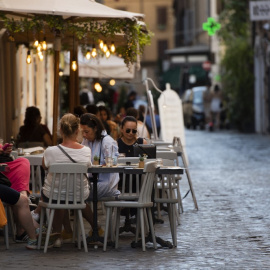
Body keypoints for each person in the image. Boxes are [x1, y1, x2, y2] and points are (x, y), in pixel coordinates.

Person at [41, 113, 92, 248]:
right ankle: (92, 227)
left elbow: (44, 166)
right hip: (79, 195)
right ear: (77, 130)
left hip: (53, 195)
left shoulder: (50, 151)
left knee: (57, 193)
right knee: (65, 192)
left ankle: (57, 235)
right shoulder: (86, 151)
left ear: (61, 130)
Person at [80, 113, 120, 199]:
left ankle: (86, 212)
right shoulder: (86, 141)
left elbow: (112, 163)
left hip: (106, 184)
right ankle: (87, 212)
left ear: (95, 128)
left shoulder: (107, 141)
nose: (84, 135)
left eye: (86, 132)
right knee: (73, 190)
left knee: (76, 192)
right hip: (91, 182)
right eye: (82, 132)